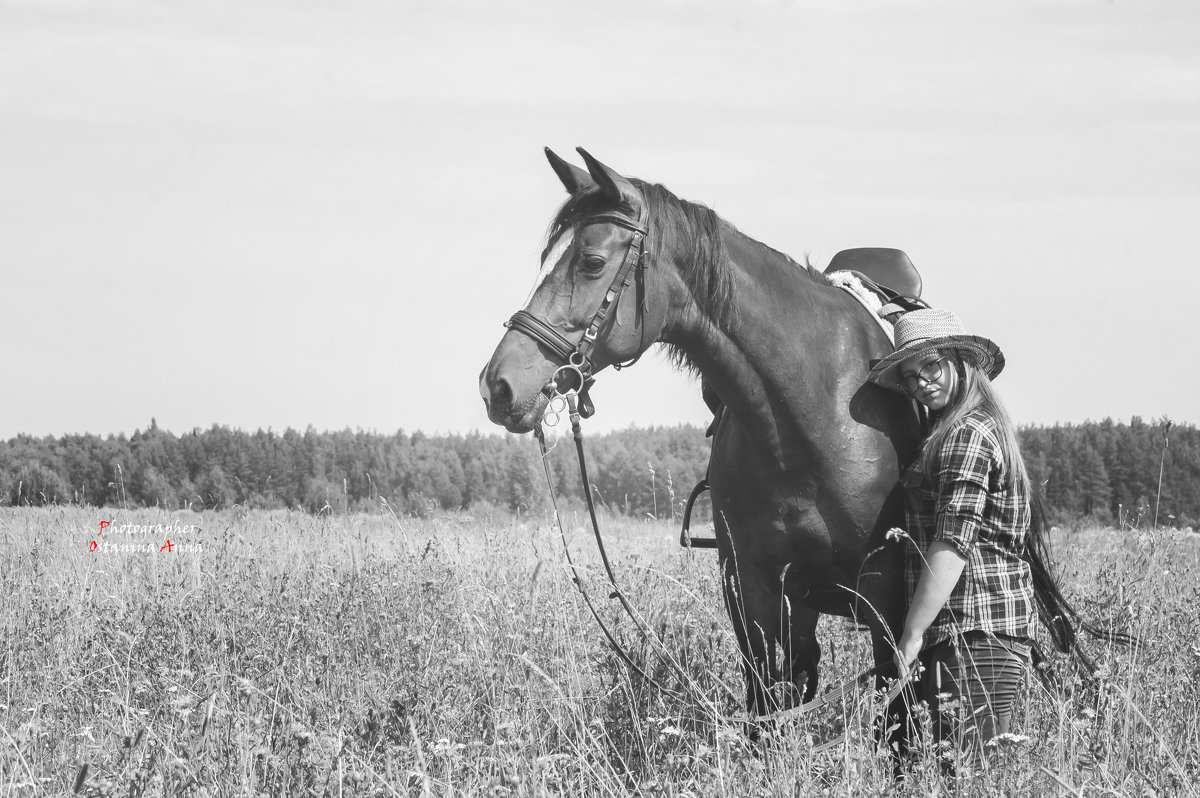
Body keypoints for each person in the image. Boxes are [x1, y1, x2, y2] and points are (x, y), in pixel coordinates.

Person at [867, 308, 1036, 765]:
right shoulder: (961, 429)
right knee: (959, 772)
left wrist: (913, 633)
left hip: (975, 631)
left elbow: (951, 545)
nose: (922, 381)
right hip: (972, 630)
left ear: (961, 361)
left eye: (931, 365)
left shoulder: (966, 436)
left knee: (966, 774)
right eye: (910, 376)